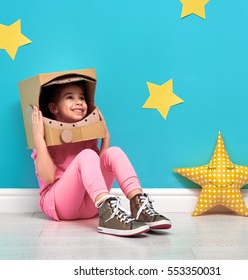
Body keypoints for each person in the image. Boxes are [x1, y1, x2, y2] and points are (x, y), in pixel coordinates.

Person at [31, 76, 171, 237]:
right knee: (87, 155)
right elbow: (48, 178)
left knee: (114, 151)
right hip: (59, 205)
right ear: (54, 108)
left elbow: (97, 173)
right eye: (70, 97)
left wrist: (105, 139)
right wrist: (39, 139)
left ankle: (138, 205)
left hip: (91, 205)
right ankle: (108, 212)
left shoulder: (87, 136)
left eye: (82, 98)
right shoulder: (45, 139)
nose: (79, 102)